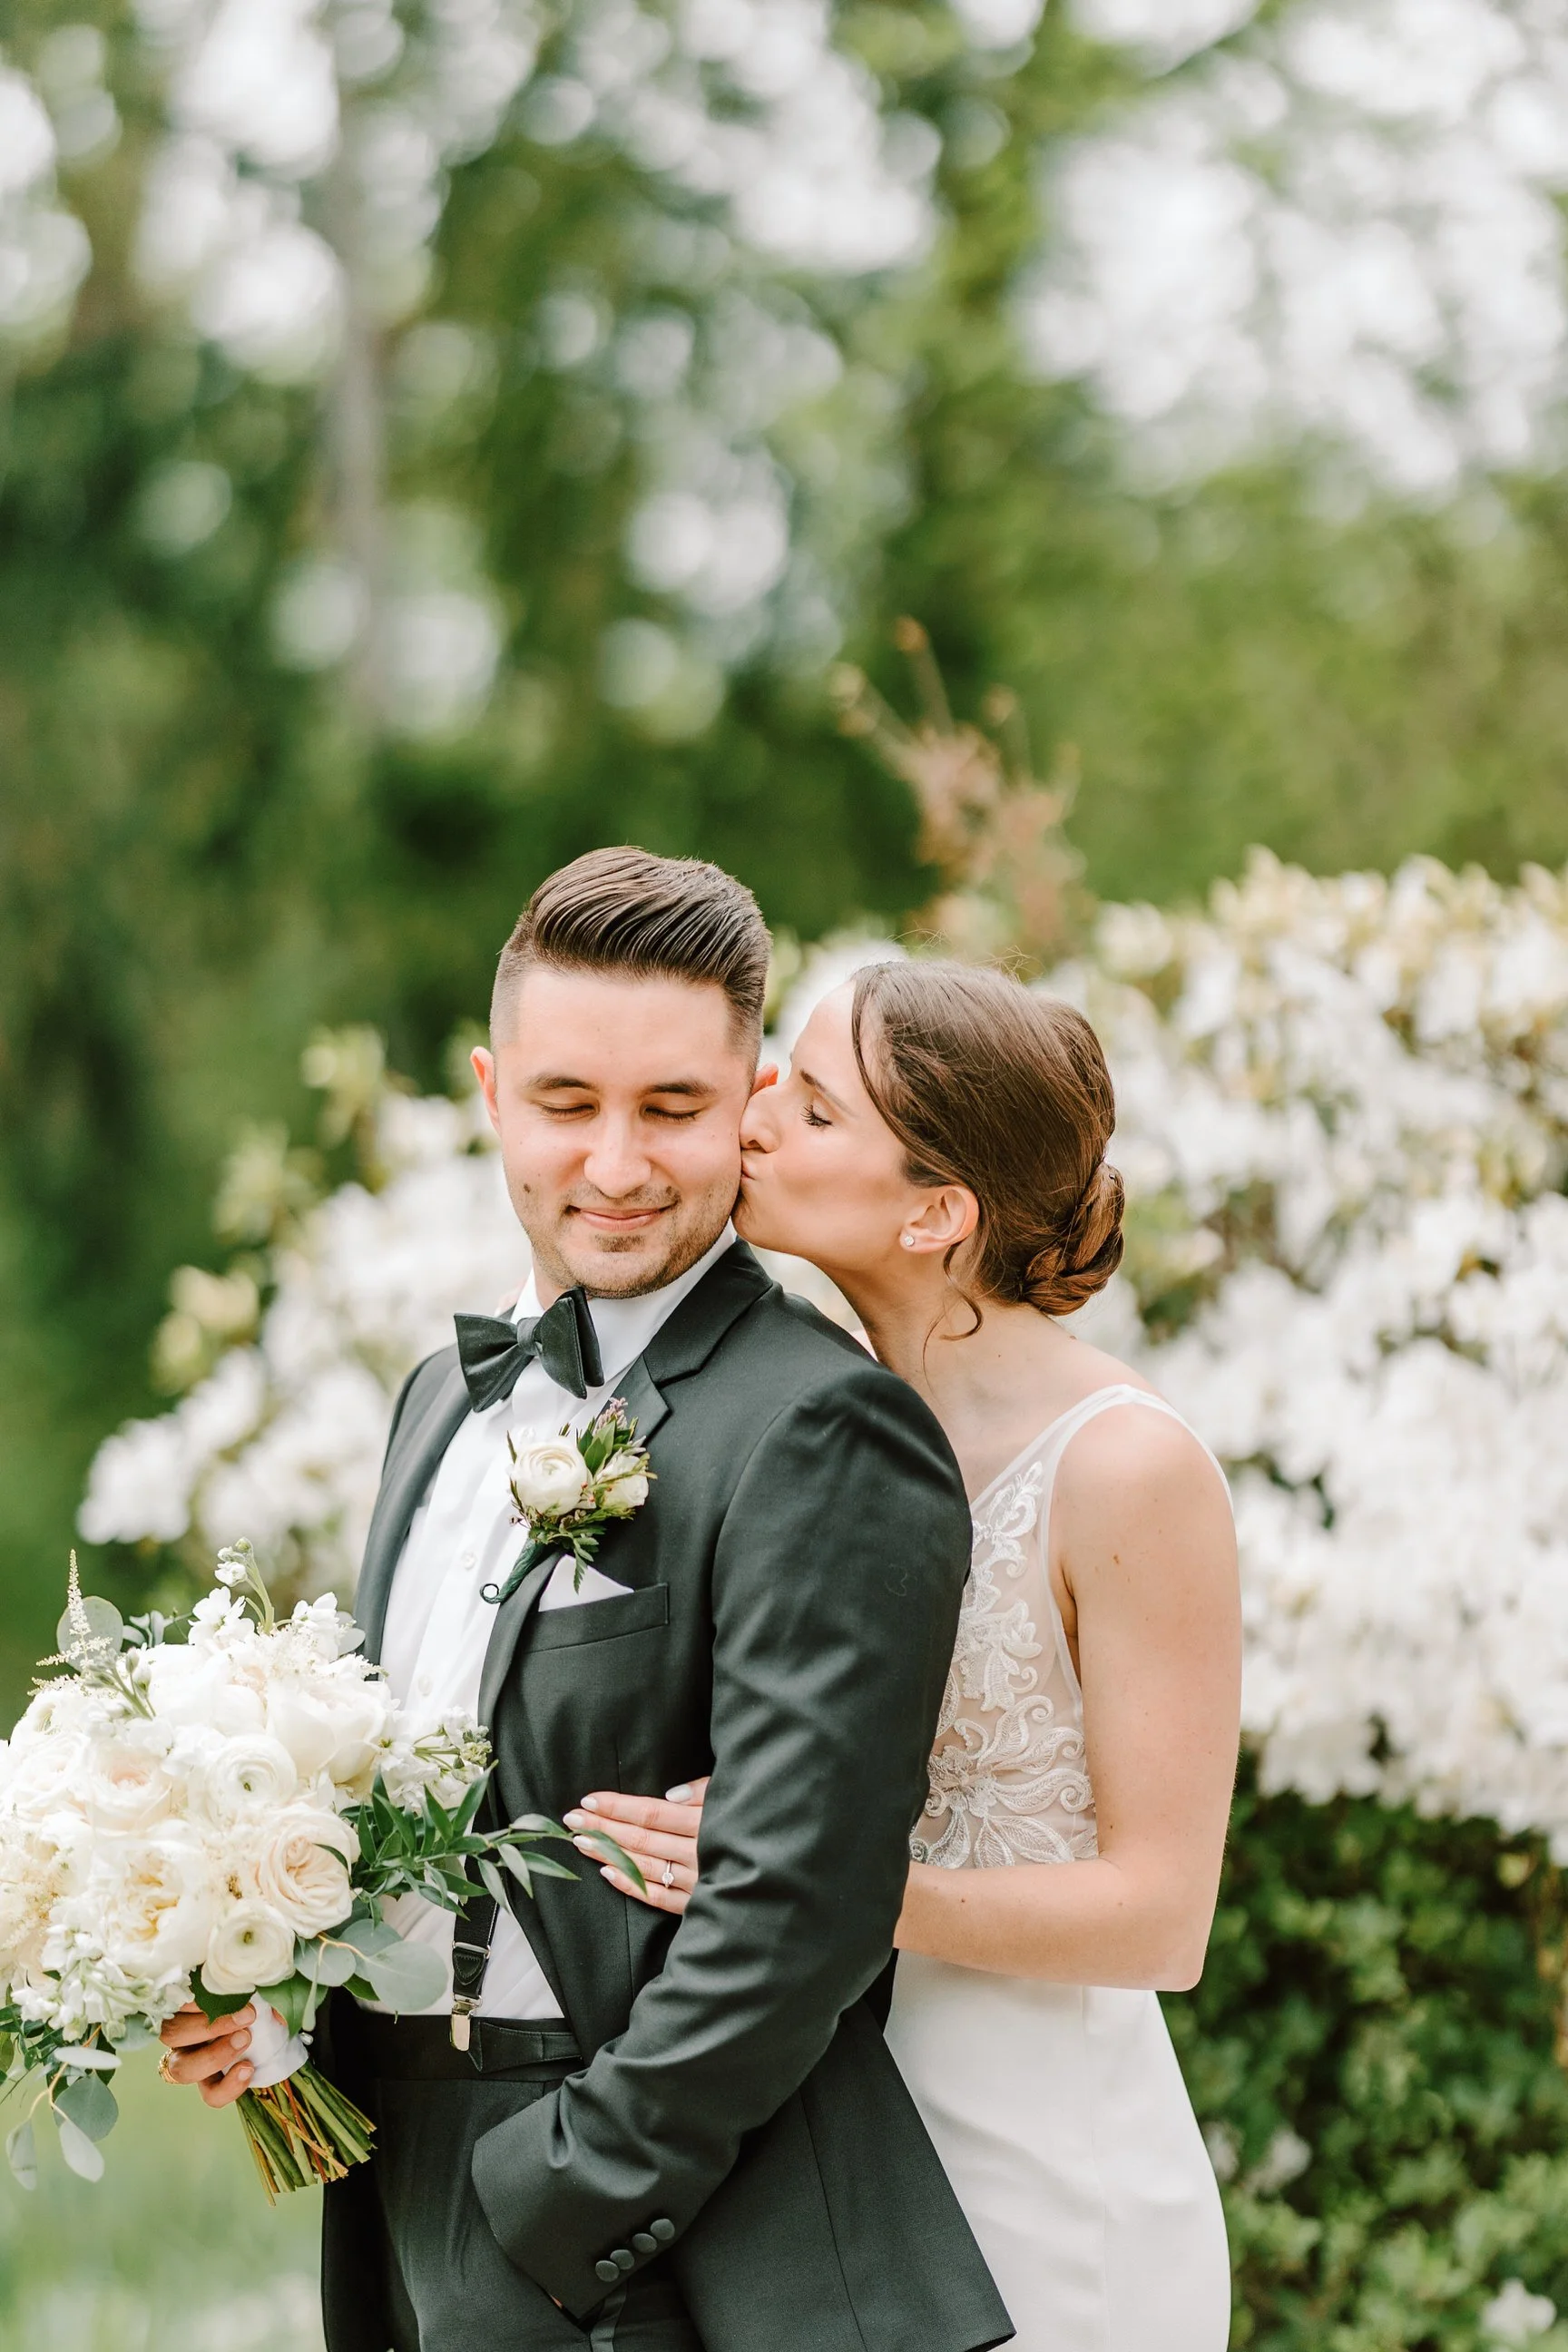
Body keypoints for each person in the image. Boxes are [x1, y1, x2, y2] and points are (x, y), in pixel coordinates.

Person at [160, 850, 1013, 2352]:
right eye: (567, 1104)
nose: (615, 1166)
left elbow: (802, 1915)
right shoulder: (438, 1400)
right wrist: (275, 2006)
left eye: (673, 1110)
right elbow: (410, 1770)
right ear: (493, 1093)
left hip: (654, 2245)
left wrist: (556, 2208)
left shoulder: (821, 1427)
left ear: (750, 1100)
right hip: (392, 2186)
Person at [570, 957, 1240, 2352]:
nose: (752, 1118)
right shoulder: (809, 1421)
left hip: (1046, 2190)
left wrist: (819, 1890)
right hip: (827, 2179)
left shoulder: (1126, 1472)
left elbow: (1162, 1917)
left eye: (813, 1110)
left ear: (936, 1211)